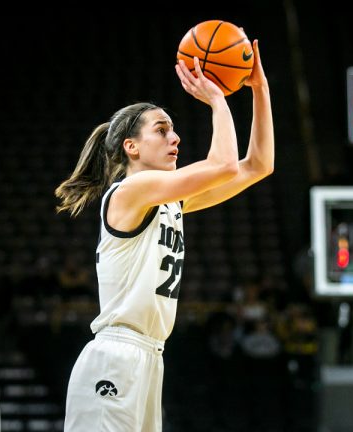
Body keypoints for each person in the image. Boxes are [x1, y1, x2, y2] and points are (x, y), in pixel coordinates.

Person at [57, 39, 273, 432]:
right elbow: (224, 164)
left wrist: (259, 88)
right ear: (132, 147)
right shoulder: (128, 192)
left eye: (173, 131)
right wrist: (217, 98)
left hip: (150, 356)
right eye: (162, 130)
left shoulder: (171, 201)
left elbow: (258, 165)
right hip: (116, 355)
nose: (175, 138)